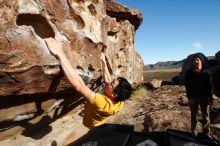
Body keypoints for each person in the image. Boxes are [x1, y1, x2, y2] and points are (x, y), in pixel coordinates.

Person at [44, 37, 132, 128]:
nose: (109, 82)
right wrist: (104, 62)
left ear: (114, 95)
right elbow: (108, 80)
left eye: (112, 84)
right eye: (113, 80)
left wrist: (59, 53)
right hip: (101, 116)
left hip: (91, 124)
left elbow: (79, 85)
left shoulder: (101, 103)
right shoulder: (121, 100)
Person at [185, 53, 213, 137]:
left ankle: (206, 133)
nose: (195, 61)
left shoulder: (207, 72)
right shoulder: (189, 73)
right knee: (194, 116)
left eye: (198, 59)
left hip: (205, 98)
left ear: (202, 61)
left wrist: (210, 97)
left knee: (206, 116)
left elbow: (210, 86)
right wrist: (189, 97)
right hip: (193, 98)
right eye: (194, 60)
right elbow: (188, 86)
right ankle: (193, 132)